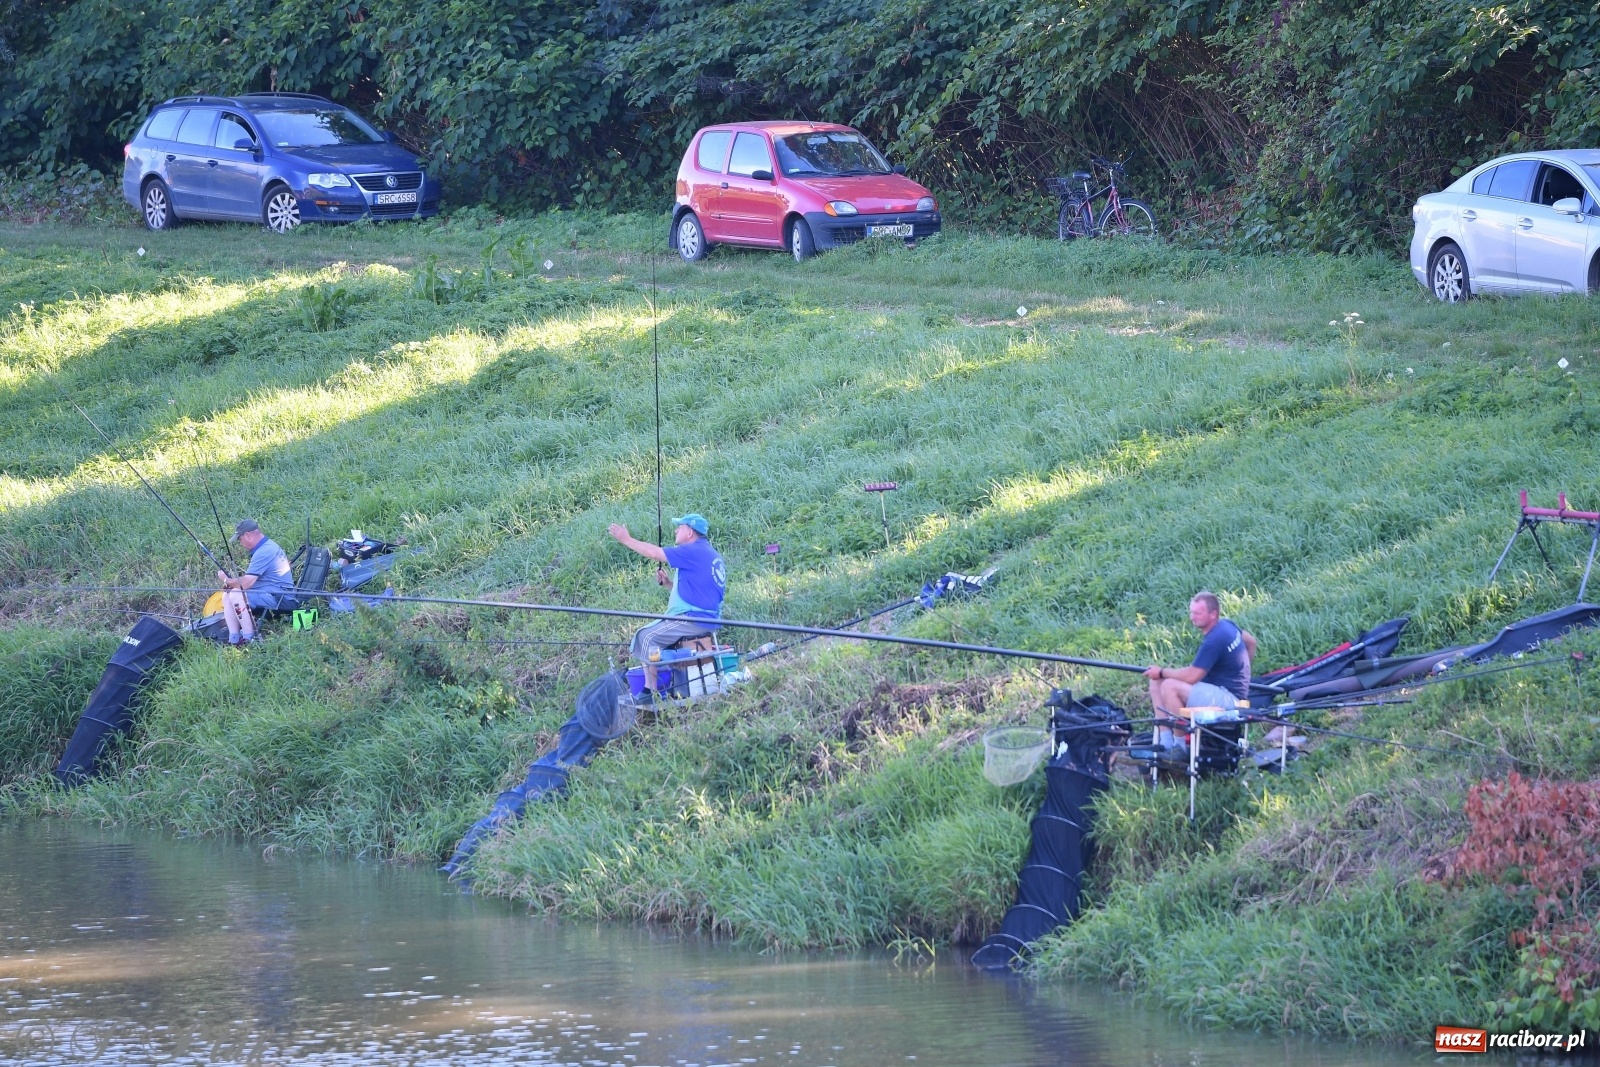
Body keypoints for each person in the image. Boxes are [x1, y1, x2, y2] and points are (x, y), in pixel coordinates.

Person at [607, 513, 727, 691]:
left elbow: (655, 553)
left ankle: (650, 690)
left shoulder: (692, 551)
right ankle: (664, 681)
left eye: (680, 527)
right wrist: (668, 584)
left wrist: (626, 539)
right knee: (649, 638)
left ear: (690, 532)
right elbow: (699, 594)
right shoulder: (708, 553)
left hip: (694, 619)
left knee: (646, 637)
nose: (676, 530)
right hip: (704, 618)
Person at [1143, 591, 1257, 746]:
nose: (1192, 617)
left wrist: (1162, 671)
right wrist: (1242, 671)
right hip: (1218, 690)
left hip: (1230, 698)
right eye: (1191, 612)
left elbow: (1193, 676)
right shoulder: (1227, 625)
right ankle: (1165, 741)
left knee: (1169, 686)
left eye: (1197, 613)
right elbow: (1251, 642)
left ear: (1213, 614)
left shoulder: (1215, 639)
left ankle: (1179, 746)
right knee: (1156, 681)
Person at [216, 519, 295, 645]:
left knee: (236, 594)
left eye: (240, 539)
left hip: (281, 599)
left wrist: (226, 580)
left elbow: (246, 583)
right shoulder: (267, 546)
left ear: (247, 535)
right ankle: (234, 638)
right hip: (271, 594)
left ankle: (250, 638)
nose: (241, 544)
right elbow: (249, 581)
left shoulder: (264, 551)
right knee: (227, 595)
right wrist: (231, 584)